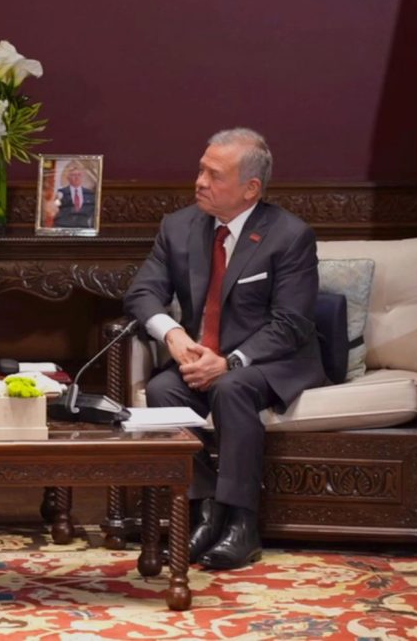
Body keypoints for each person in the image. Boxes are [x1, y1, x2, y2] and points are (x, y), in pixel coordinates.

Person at [123, 128, 325, 570]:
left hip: (273, 359)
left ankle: (242, 524)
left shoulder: (290, 235)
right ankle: (205, 510)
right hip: (204, 355)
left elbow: (291, 324)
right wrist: (174, 336)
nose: (199, 182)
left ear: (250, 188)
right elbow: (142, 293)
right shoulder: (178, 227)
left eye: (214, 175)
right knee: (162, 390)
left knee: (231, 387)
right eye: (201, 169)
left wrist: (230, 362)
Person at [54, 162, 96, 228]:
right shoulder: (61, 192)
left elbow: (92, 211)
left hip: (84, 228)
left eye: (79, 175)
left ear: (82, 177)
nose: (77, 177)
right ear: (68, 178)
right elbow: (56, 209)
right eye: (73, 175)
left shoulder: (89, 194)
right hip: (64, 227)